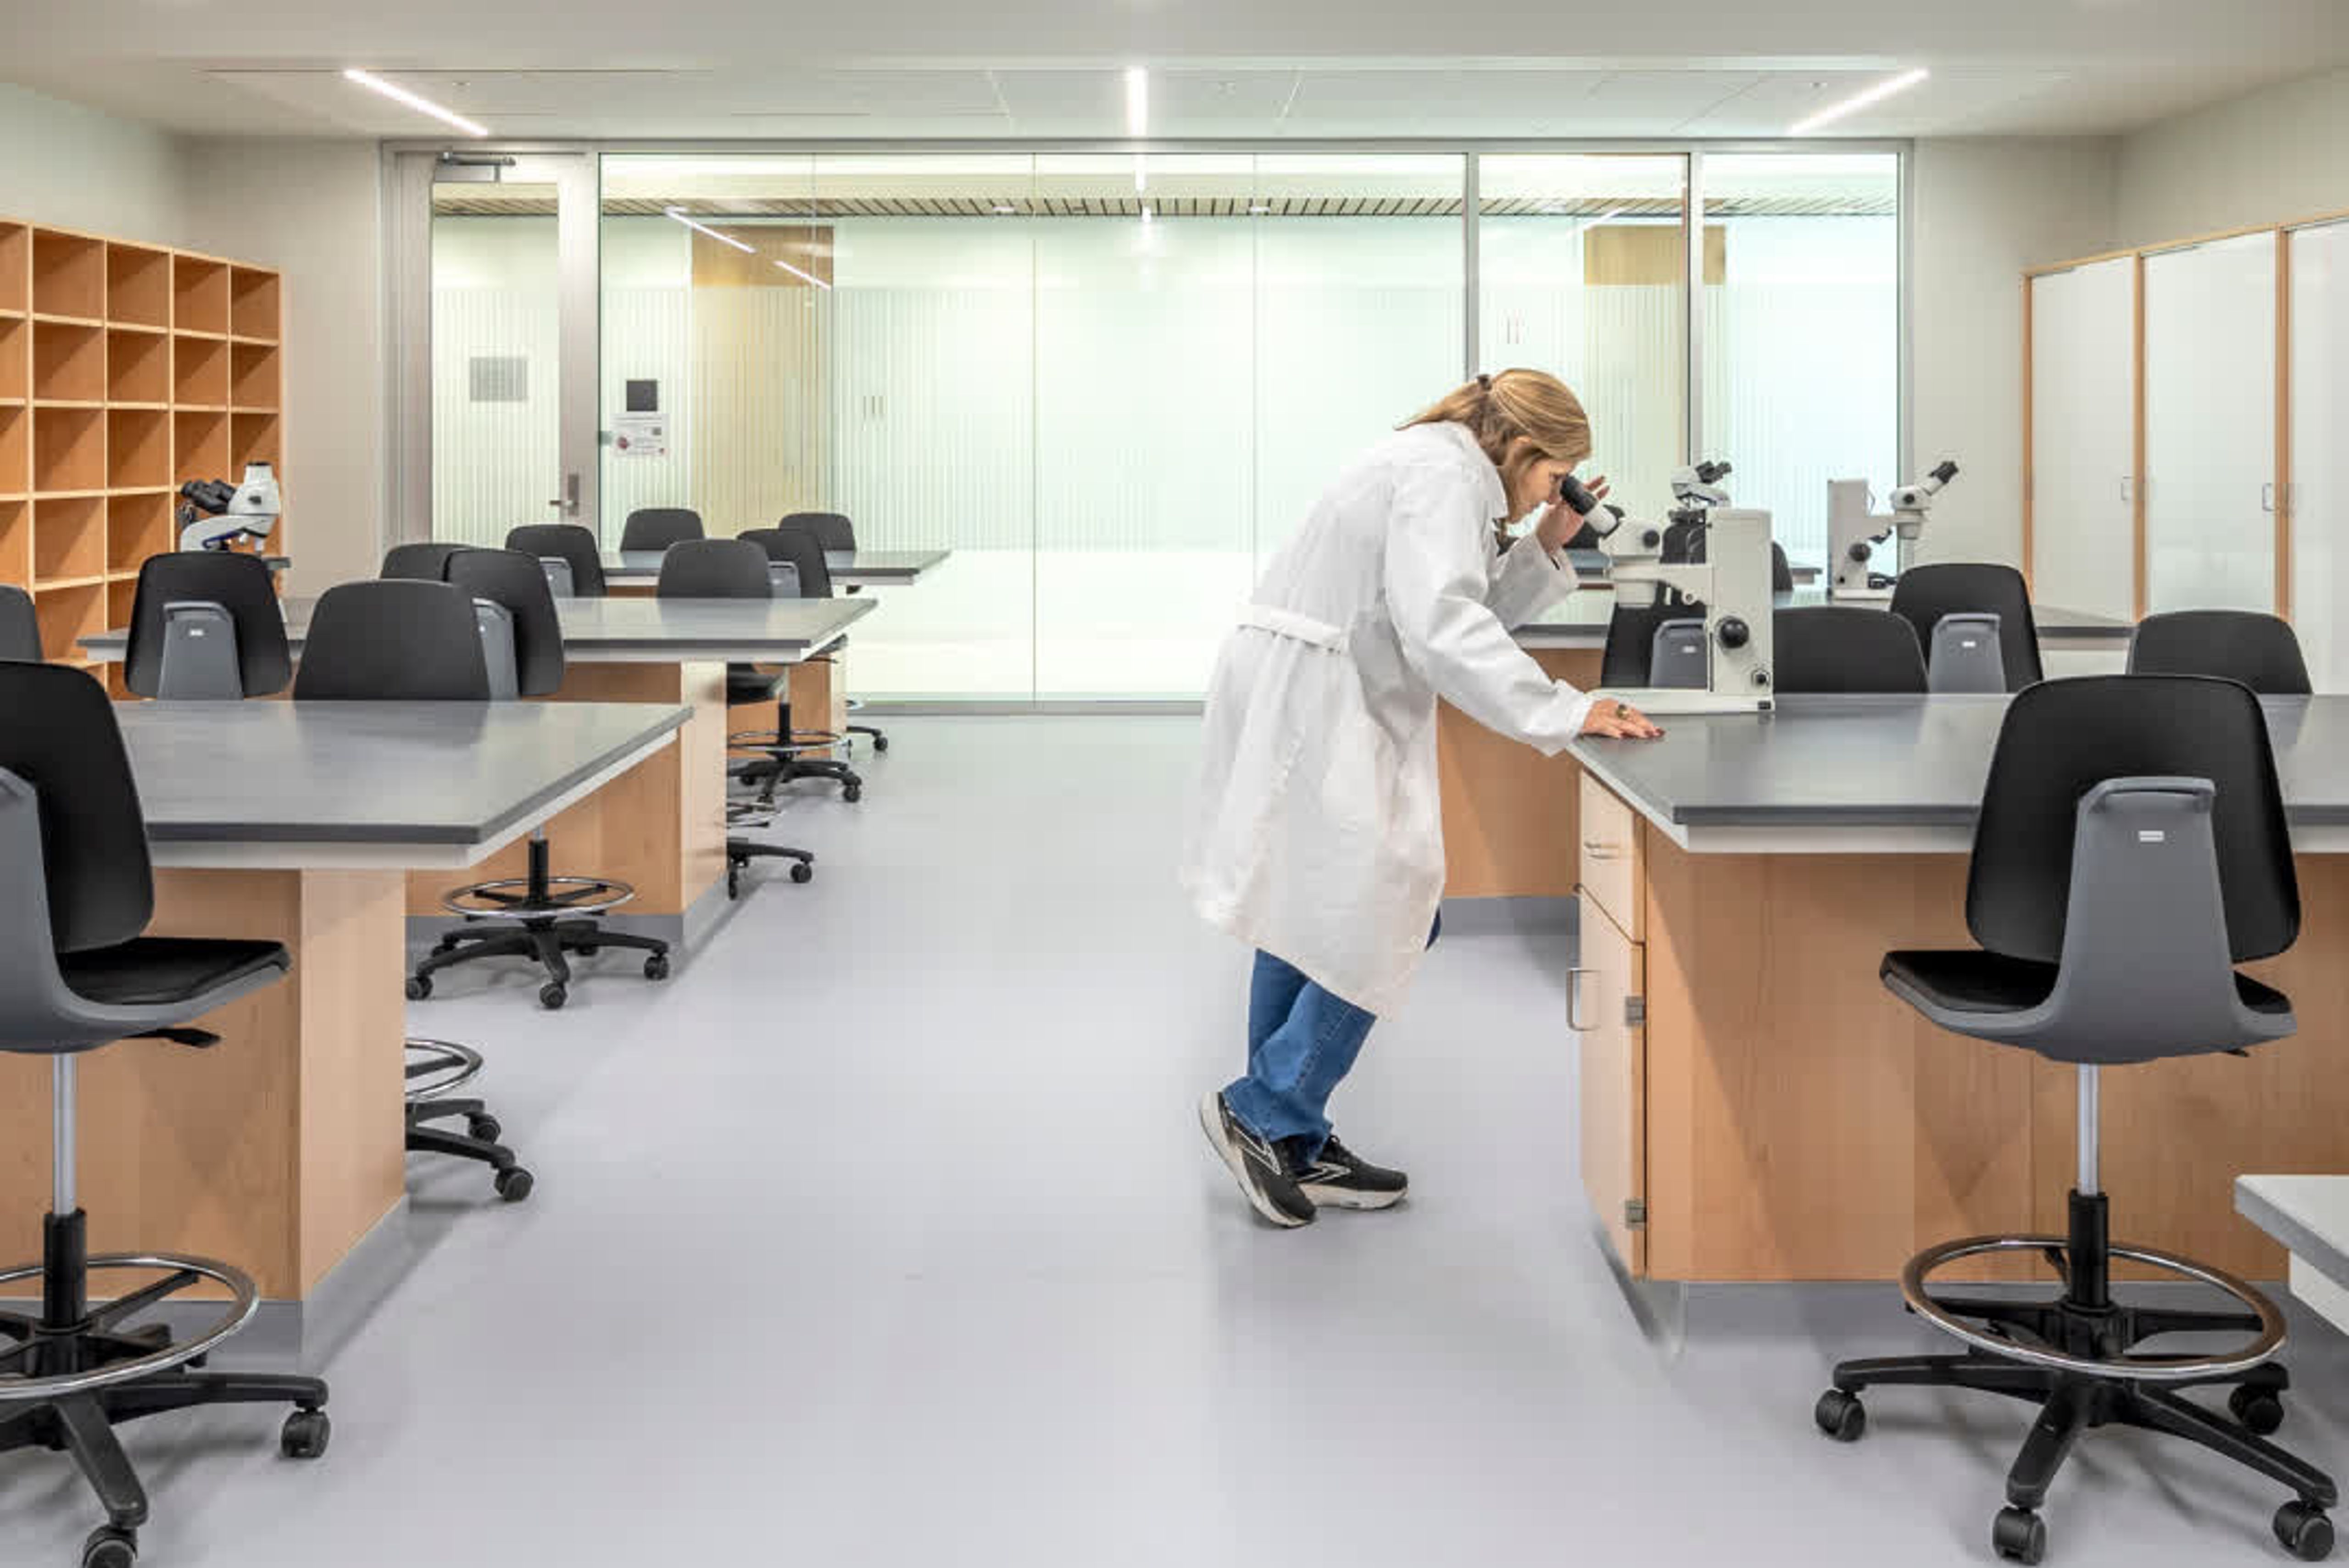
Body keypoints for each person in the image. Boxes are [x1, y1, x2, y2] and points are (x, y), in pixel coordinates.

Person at [1183, 369, 1663, 1228]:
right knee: (1395, 904)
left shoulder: (1449, 473)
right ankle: (1265, 1107)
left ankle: (1289, 1135)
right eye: (1556, 478)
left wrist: (1547, 541)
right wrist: (1566, 707)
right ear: (1522, 447)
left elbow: (1460, 603)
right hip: (1320, 697)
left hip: (1319, 686)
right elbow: (1443, 628)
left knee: (1309, 910)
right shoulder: (1442, 475)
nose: (1553, 493)